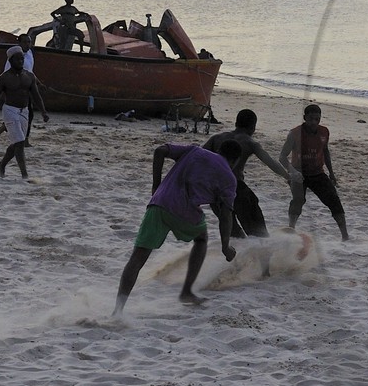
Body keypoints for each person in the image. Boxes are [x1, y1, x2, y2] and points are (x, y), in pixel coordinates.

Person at [114, 141, 240, 316]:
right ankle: (186, 291)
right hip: (185, 212)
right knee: (201, 238)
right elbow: (226, 216)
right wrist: (225, 246)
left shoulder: (194, 150)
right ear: (235, 161)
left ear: (218, 149)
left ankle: (118, 310)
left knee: (137, 258)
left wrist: (155, 186)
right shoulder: (229, 178)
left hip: (158, 204)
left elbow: (159, 150)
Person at [203, 109, 291, 238]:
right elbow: (270, 162)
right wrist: (287, 176)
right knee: (258, 232)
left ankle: (240, 255)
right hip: (236, 189)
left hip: (215, 191)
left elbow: (197, 157)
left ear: (236, 123)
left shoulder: (216, 138)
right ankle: (262, 255)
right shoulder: (250, 142)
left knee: (233, 231)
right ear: (253, 127)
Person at [278, 103, 350, 241]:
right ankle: (291, 228)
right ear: (305, 118)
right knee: (298, 200)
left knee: (333, 200)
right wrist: (292, 172)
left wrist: (332, 173)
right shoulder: (295, 133)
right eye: (310, 119)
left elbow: (325, 151)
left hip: (318, 173)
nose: (313, 122)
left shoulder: (324, 132)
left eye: (317, 119)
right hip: (298, 173)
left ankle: (345, 235)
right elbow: (282, 157)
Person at [0, 46, 50, 179]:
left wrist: (43, 112)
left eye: (22, 59)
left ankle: (2, 165)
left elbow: (36, 95)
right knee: (20, 142)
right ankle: (24, 175)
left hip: (24, 111)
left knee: (17, 142)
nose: (21, 61)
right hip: (10, 110)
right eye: (18, 59)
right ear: (11, 60)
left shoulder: (29, 76)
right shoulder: (3, 78)